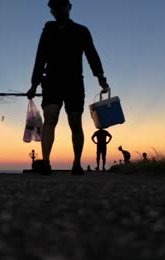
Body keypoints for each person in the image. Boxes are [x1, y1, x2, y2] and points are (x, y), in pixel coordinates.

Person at [27, 0, 110, 175]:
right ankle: (46, 162)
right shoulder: (48, 30)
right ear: (51, 11)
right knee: (50, 119)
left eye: (61, 5)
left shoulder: (81, 31)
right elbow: (40, 57)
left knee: (75, 122)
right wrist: (34, 84)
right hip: (51, 81)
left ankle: (77, 163)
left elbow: (91, 54)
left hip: (74, 82)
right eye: (54, 8)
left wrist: (100, 77)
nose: (57, 10)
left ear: (69, 7)